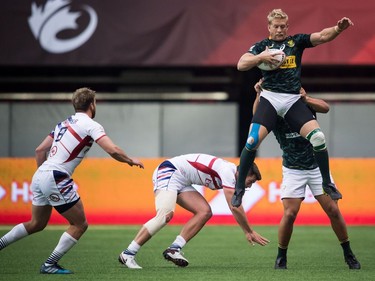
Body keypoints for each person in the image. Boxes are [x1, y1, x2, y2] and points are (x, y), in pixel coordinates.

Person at [0, 87, 144, 274]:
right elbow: (112, 150)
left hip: (41, 174)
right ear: (92, 104)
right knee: (79, 224)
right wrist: (130, 160)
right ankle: (50, 264)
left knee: (36, 223)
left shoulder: (63, 123)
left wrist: (43, 177)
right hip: (55, 176)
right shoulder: (91, 124)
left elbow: (39, 150)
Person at [232, 9, 354, 208]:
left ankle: (327, 183)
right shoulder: (262, 47)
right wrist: (260, 57)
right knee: (252, 140)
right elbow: (241, 64)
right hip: (270, 98)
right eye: (276, 26)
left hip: (292, 99)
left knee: (318, 138)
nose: (280, 30)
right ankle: (239, 189)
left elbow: (322, 36)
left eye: (283, 26)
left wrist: (338, 29)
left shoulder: (296, 42)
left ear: (287, 27)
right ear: (269, 27)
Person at [253, 80, 361, 270]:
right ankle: (281, 256)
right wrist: (259, 95)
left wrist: (306, 98)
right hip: (293, 169)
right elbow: (256, 115)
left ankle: (348, 253)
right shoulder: (275, 111)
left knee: (334, 211)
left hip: (317, 168)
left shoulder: (303, 108)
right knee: (290, 213)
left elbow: (325, 108)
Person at [118, 153, 270, 269]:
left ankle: (174, 249)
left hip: (181, 179)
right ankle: (128, 254)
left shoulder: (232, 174)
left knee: (204, 211)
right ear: (243, 173)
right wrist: (248, 231)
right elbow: (235, 206)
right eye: (250, 181)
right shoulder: (227, 172)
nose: (249, 186)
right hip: (170, 171)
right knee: (165, 215)